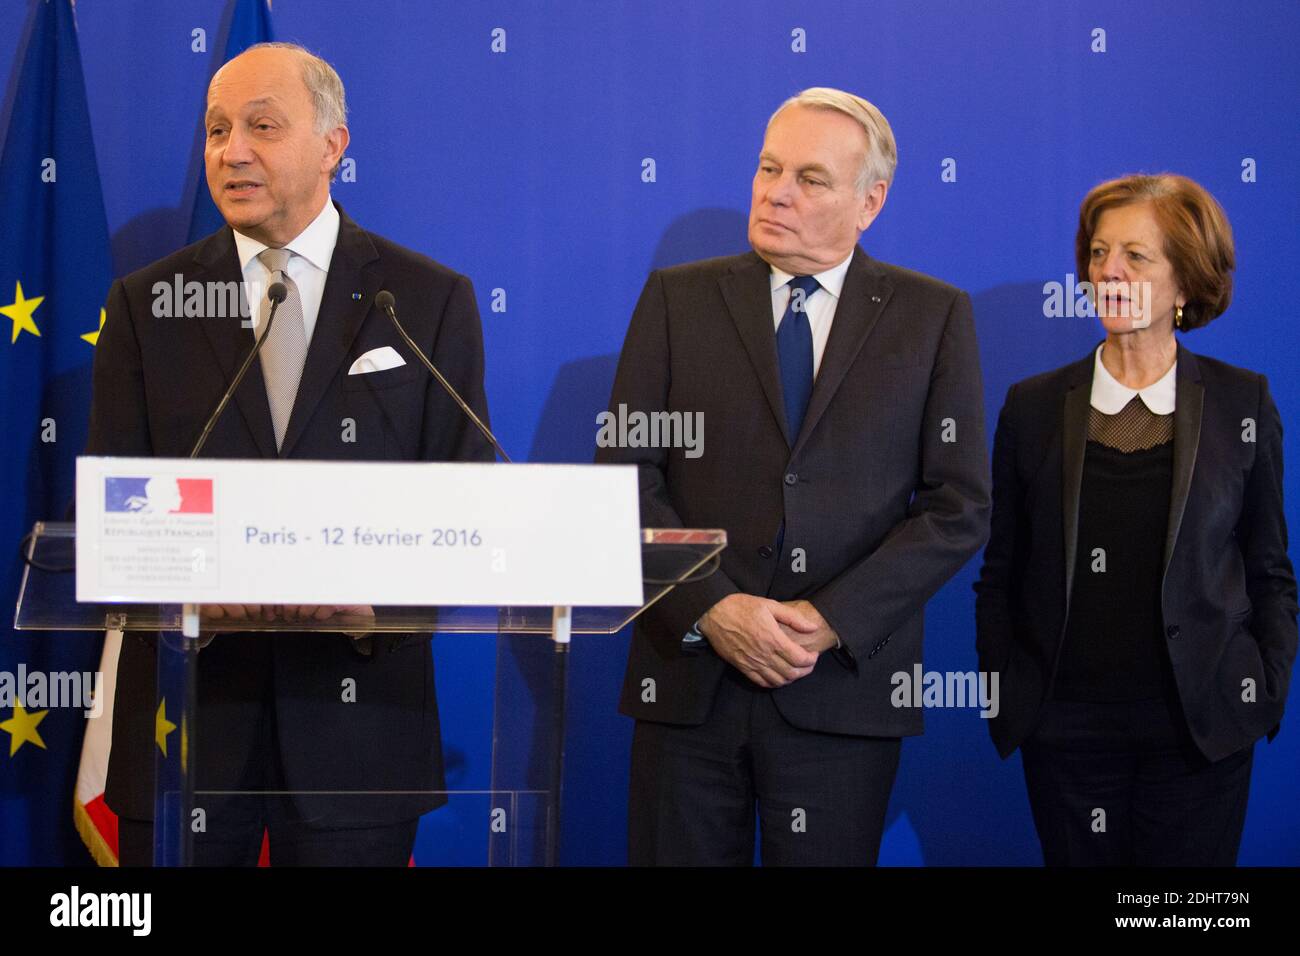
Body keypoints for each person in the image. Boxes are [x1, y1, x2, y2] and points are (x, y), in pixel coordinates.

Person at [85, 42, 495, 865]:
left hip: (361, 726)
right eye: (215, 129)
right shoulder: (146, 304)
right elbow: (106, 509)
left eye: (262, 127)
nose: (231, 151)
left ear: (333, 145)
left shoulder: (423, 299)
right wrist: (189, 592)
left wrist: (376, 605)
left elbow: (468, 502)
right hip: (186, 723)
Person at [597, 87, 990, 865]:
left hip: (840, 696)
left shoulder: (931, 316)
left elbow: (957, 506)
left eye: (810, 178)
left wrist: (831, 617)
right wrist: (712, 607)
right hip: (689, 685)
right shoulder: (679, 300)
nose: (776, 191)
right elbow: (623, 478)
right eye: (769, 167)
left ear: (869, 201)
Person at [974, 173, 1297, 865]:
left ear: (1185, 283)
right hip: (1064, 735)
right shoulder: (1032, 407)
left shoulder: (1243, 403)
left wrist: (1263, 689)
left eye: (1136, 256)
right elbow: (1000, 572)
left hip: (1201, 732)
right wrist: (1008, 688)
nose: (1108, 271)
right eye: (1098, 252)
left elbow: (1269, 570)